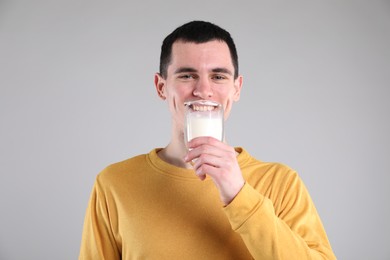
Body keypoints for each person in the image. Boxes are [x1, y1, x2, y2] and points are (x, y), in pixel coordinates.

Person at [79, 20, 336, 259]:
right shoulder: (113, 183)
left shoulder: (280, 182)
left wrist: (239, 194)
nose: (203, 90)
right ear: (161, 87)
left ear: (236, 88)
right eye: (187, 75)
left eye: (218, 76)